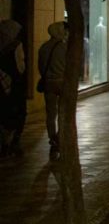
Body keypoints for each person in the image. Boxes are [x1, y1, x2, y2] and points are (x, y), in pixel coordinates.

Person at [37, 21, 68, 155]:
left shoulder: (43, 47)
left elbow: (41, 67)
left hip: (48, 82)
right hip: (62, 83)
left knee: (50, 113)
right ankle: (60, 136)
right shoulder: (64, 47)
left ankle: (52, 137)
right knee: (62, 111)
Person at [0, 19, 28, 158]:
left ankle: (4, 143)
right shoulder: (16, 46)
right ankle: (14, 142)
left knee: (4, 113)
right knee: (18, 112)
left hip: (2, 85)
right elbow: (21, 66)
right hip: (15, 84)